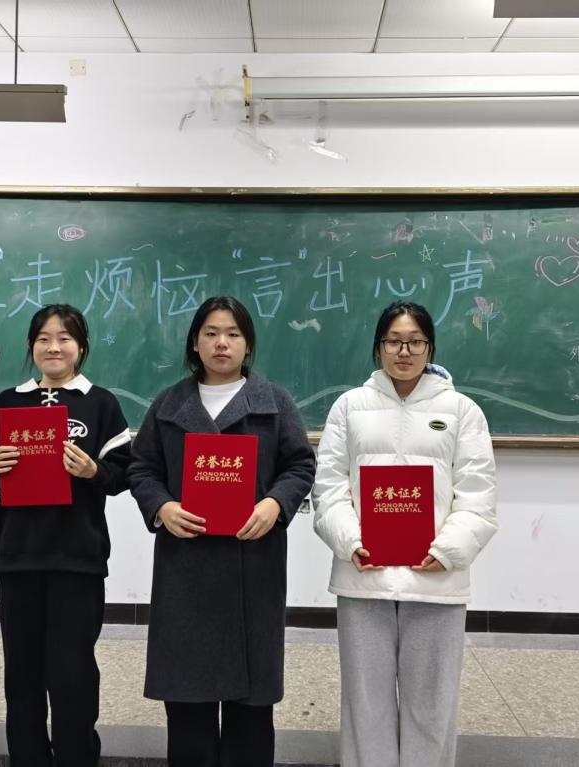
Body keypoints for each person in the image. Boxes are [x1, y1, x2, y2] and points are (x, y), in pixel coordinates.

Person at [128, 295, 316, 767]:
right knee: (188, 707)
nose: (221, 343)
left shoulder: (275, 402)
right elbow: (141, 468)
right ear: (195, 342)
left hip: (252, 568)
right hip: (185, 571)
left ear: (248, 344)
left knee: (249, 712)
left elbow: (300, 465)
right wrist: (162, 506)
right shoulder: (169, 403)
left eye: (233, 334)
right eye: (210, 333)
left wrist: (275, 503)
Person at [312, 300, 497, 767]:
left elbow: (477, 494)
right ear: (378, 347)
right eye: (394, 341)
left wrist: (448, 550)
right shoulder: (349, 407)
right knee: (365, 703)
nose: (404, 351)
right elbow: (328, 487)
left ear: (430, 347)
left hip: (435, 578)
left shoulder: (462, 410)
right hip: (364, 576)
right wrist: (351, 541)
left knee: (432, 704)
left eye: (415, 341)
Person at [0, 303, 131, 767]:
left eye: (64, 338)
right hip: (17, 556)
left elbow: (123, 474)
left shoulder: (100, 403)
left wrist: (94, 470)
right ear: (30, 346)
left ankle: (77, 756)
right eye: (43, 338)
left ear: (82, 347)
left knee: (72, 670)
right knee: (21, 673)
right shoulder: (8, 402)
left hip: (77, 558)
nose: (53, 347)